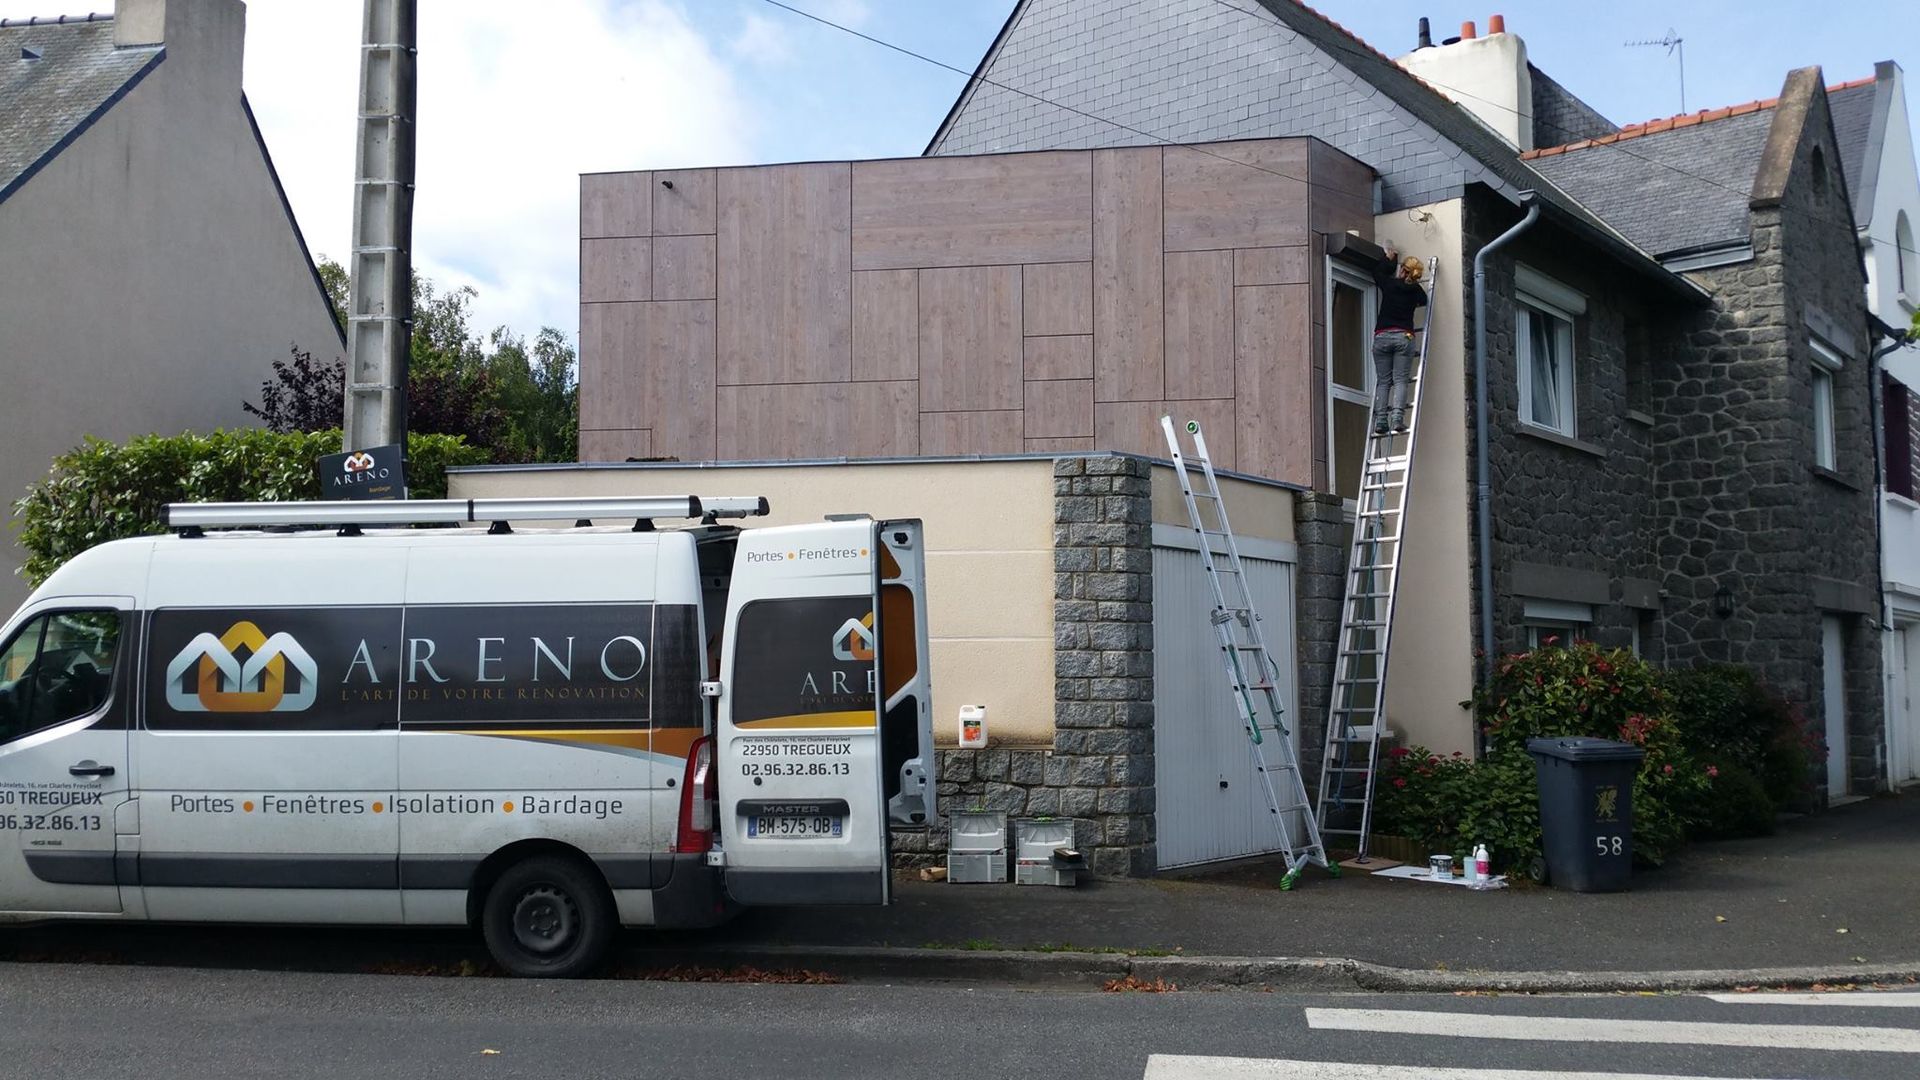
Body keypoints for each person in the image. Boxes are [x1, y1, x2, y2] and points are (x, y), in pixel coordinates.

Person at [1370, 247, 1429, 434]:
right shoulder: (1415, 291)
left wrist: (1389, 259)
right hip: (1404, 336)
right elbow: (1424, 300)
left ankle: (1380, 421)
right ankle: (1397, 419)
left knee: (1383, 381)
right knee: (1401, 379)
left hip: (1382, 337)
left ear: (1402, 270)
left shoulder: (1390, 284)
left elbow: (1377, 272)